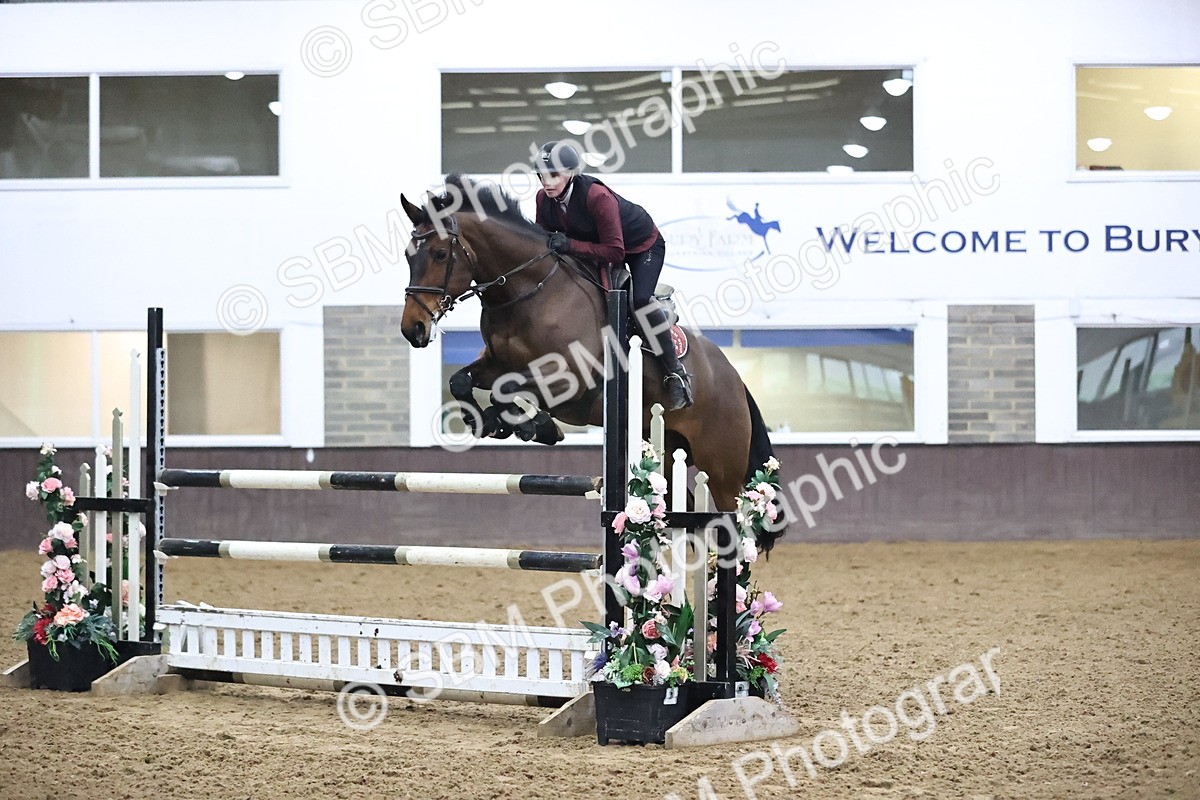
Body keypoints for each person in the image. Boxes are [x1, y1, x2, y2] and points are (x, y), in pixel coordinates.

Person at [531, 140, 693, 411]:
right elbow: (544, 242)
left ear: (570, 173)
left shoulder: (596, 196)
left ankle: (675, 373)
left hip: (641, 247)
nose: (547, 182)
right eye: (542, 176)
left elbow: (615, 253)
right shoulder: (543, 200)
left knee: (639, 300)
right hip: (599, 249)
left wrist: (569, 245)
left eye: (554, 175)